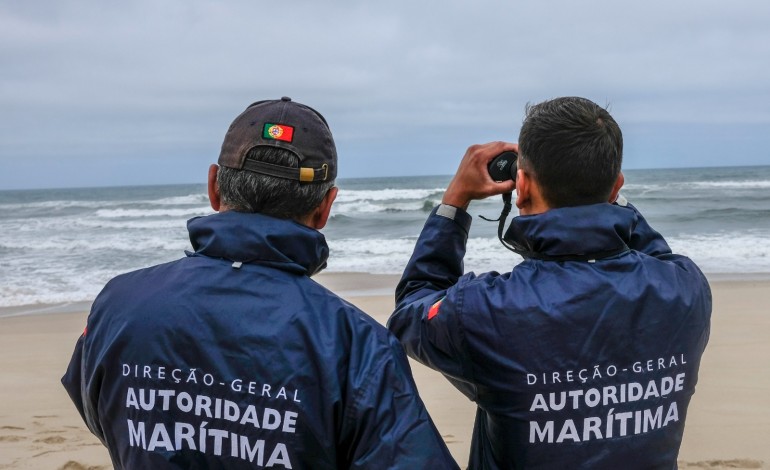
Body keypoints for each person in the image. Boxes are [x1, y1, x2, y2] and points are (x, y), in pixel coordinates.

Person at [62, 97, 458, 469]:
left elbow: (104, 413)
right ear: (325, 207)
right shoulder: (355, 345)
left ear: (214, 187)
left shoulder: (118, 305)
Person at [388, 97, 711, 469]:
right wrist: (604, 195)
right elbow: (653, 256)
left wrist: (455, 201)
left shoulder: (485, 311)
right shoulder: (686, 289)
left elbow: (412, 309)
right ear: (616, 187)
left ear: (520, 185)